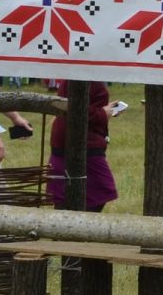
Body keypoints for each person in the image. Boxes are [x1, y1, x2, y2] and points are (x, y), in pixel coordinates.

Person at [45, 81, 121, 211]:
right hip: (79, 141)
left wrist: (104, 109)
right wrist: (102, 113)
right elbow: (75, 106)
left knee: (73, 193)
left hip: (78, 139)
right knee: (99, 190)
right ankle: (74, 226)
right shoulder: (81, 74)